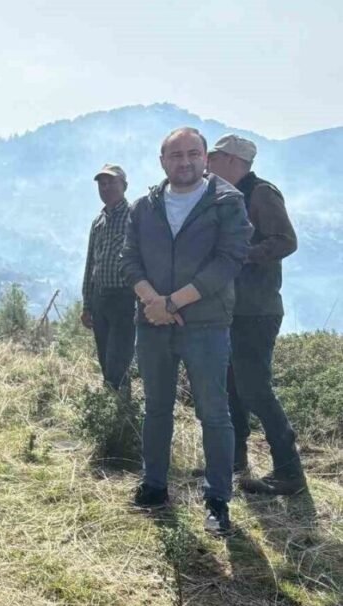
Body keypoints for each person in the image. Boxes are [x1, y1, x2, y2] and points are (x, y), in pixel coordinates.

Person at [120, 127, 251, 535]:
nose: (185, 162)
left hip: (206, 324)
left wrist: (173, 302)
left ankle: (217, 501)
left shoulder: (227, 202)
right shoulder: (145, 206)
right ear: (162, 161)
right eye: (175, 155)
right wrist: (152, 302)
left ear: (206, 157)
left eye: (193, 153)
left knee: (214, 413)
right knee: (156, 408)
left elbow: (229, 260)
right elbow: (130, 259)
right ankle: (154, 485)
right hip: (153, 323)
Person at [207, 134, 306, 494]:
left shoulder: (261, 193)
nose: (207, 164)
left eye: (214, 158)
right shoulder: (228, 196)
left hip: (257, 310)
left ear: (234, 162)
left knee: (254, 388)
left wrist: (242, 254)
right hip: (234, 309)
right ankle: (235, 461)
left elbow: (286, 240)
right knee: (232, 385)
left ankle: (290, 472)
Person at [81, 164, 136, 391]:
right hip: (100, 298)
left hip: (125, 297)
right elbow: (90, 263)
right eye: (102, 184)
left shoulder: (135, 216)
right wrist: (87, 304)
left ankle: (120, 410)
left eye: (111, 182)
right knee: (104, 355)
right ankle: (112, 407)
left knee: (119, 357)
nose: (106, 188)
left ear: (124, 185)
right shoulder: (99, 221)